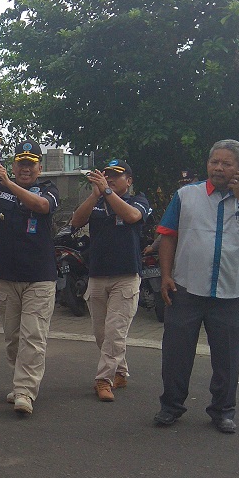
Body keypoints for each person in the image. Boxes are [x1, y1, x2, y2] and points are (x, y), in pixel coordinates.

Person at [154, 139, 239, 434]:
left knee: (227, 359)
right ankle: (171, 406)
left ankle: (223, 411)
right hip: (186, 288)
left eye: (226, 163)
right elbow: (168, 235)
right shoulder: (186, 195)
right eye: (214, 162)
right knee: (176, 354)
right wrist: (166, 275)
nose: (218, 168)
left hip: (231, 292)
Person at [0, 129, 59, 415]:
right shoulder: (0, 190)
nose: (26, 168)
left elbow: (41, 206)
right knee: (12, 338)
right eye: (21, 163)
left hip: (39, 278)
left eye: (31, 164)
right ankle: (20, 381)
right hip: (5, 276)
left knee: (33, 336)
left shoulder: (48, 189)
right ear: (13, 164)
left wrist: (9, 183)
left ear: (39, 168)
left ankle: (24, 391)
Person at [70, 160, 150, 402]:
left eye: (116, 176)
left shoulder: (138, 201)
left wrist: (106, 191)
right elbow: (76, 221)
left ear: (129, 180)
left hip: (125, 277)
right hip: (97, 275)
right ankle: (120, 372)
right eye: (107, 175)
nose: (111, 179)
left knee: (115, 331)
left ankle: (103, 379)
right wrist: (95, 195)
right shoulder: (97, 202)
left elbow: (132, 216)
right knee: (101, 333)